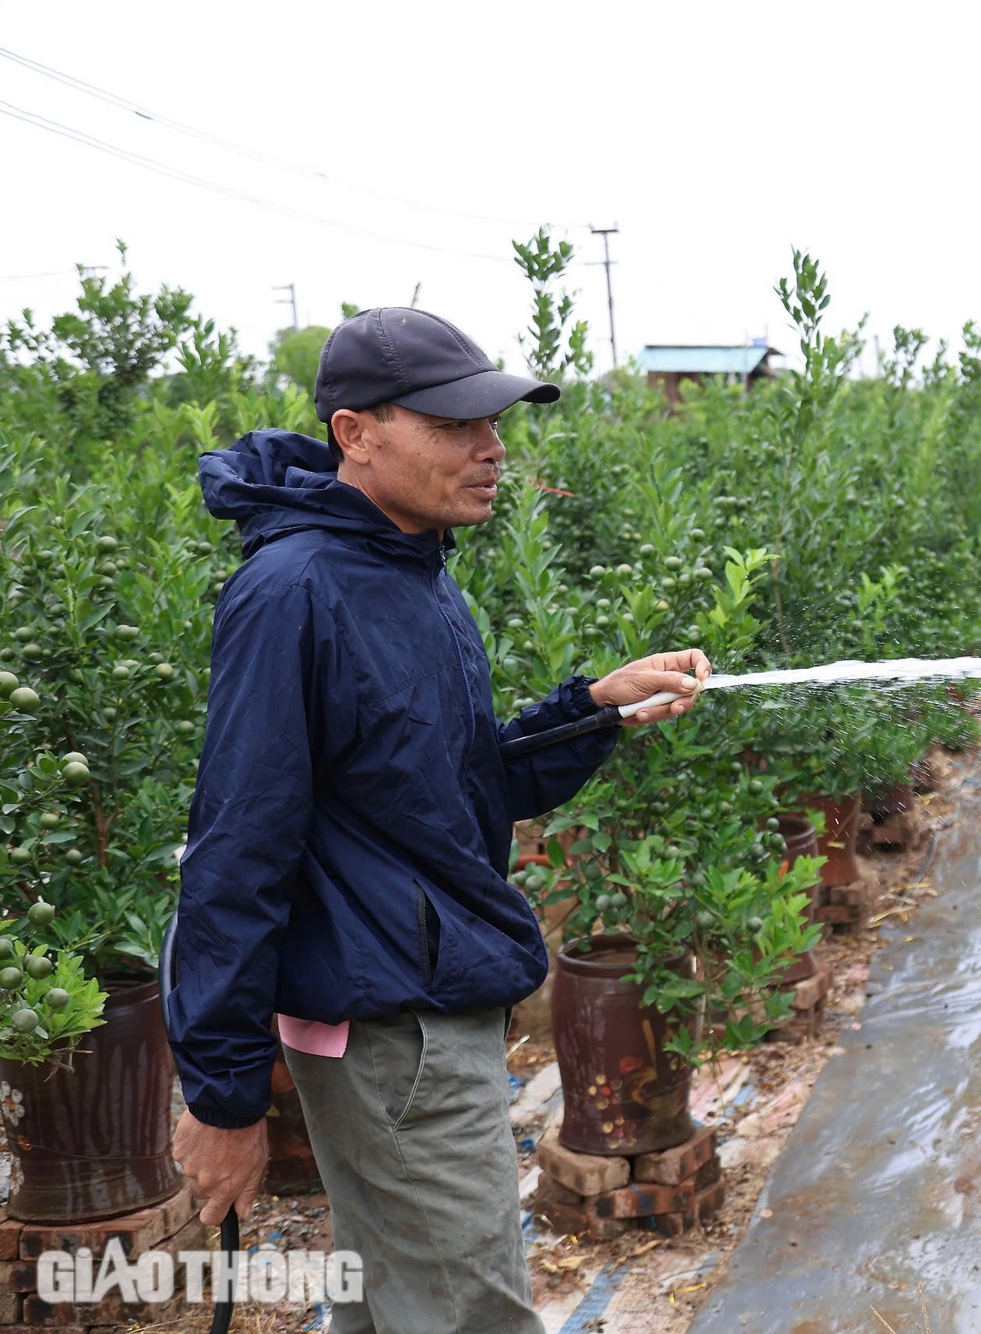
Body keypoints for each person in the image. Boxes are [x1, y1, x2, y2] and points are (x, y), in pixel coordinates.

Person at [165, 307, 706, 1333]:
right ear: (355, 432)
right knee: (469, 1314)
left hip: (417, 1003)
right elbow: (238, 844)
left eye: (493, 424)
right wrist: (224, 1095)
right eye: (455, 425)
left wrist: (587, 708)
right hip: (394, 1028)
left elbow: (444, 786)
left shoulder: (412, 571)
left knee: (387, 1302)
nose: (491, 448)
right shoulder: (296, 591)